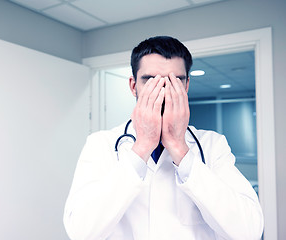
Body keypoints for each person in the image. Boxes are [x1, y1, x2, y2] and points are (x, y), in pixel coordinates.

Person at [63, 36, 264, 240]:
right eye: (151, 80)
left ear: (185, 86)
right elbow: (81, 232)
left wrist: (180, 150)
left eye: (174, 81)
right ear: (133, 86)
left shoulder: (212, 144)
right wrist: (142, 147)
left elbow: (249, 232)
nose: (163, 91)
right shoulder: (101, 144)